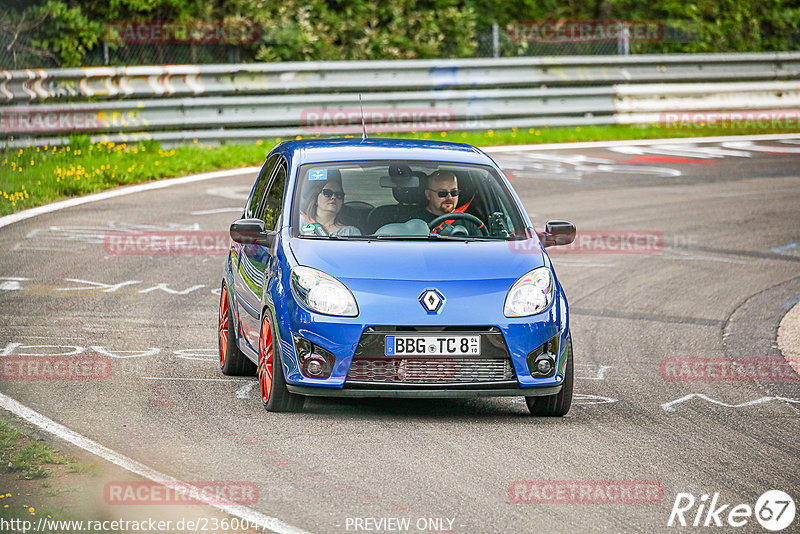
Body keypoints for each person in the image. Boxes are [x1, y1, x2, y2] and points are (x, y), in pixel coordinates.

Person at [412, 170, 479, 235]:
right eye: (442, 193)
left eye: (454, 192)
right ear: (428, 194)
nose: (449, 197)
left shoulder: (470, 221)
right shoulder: (413, 220)